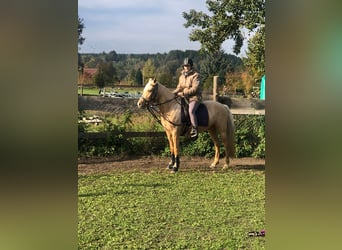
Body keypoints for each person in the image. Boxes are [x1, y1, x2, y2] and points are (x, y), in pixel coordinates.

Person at [173, 58, 202, 138]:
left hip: (194, 98)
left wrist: (183, 93)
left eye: (188, 66)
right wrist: (173, 93)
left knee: (191, 110)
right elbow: (179, 87)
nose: (186, 67)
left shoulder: (195, 75)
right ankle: (183, 127)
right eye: (185, 66)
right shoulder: (181, 77)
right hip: (184, 97)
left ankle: (194, 129)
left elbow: (194, 89)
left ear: (191, 66)